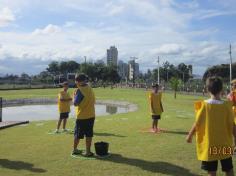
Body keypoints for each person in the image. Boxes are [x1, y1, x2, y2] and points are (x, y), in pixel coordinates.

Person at [186, 76, 236, 176]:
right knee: (229, 169)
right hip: (225, 144)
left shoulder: (204, 105)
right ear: (222, 89)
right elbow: (233, 126)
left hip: (209, 145)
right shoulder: (227, 106)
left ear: (207, 89)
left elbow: (197, 123)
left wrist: (190, 135)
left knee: (211, 172)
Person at [72, 73, 95, 157]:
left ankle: (75, 150)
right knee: (89, 134)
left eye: (75, 80)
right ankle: (88, 151)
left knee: (77, 134)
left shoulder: (79, 90)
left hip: (81, 117)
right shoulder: (89, 88)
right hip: (91, 115)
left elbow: (75, 103)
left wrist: (74, 96)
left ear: (78, 81)